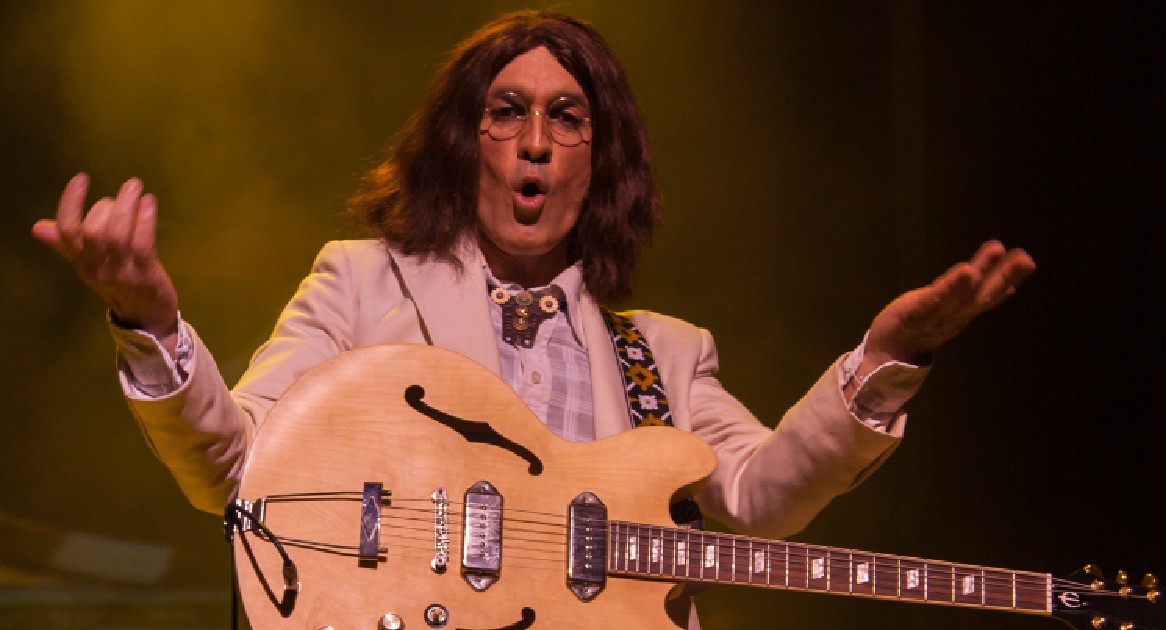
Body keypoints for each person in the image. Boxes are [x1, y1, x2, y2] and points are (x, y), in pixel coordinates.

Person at [30, 10, 1034, 628]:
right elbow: (239, 470)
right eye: (507, 112)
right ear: (462, 145)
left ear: (602, 162)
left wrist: (889, 354)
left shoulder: (665, 355)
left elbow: (762, 501)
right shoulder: (362, 284)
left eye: (568, 117)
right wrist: (149, 320)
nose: (537, 143)